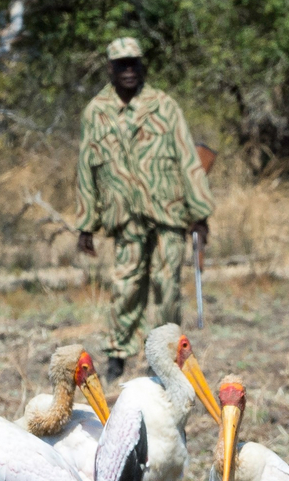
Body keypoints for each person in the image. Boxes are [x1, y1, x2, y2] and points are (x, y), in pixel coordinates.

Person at [75, 37, 213, 379]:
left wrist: (200, 213)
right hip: (124, 215)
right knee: (125, 286)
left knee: (168, 287)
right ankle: (118, 355)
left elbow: (188, 160)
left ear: (142, 65)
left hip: (168, 212)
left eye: (133, 63)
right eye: (121, 64)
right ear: (109, 68)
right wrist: (85, 223)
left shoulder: (164, 105)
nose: (128, 70)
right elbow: (85, 168)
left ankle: (165, 356)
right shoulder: (96, 111)